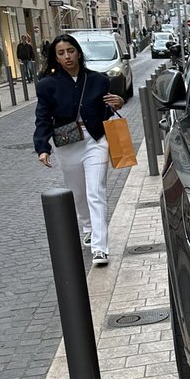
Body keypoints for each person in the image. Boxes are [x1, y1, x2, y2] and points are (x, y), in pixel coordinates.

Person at [34, 33, 124, 266]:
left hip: (96, 140)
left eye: (70, 51)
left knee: (96, 191)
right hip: (67, 144)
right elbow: (42, 118)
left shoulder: (99, 80)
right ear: (55, 57)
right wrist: (42, 147)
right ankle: (87, 226)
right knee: (78, 193)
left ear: (79, 52)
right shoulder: (47, 86)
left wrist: (118, 104)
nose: (67, 57)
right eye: (61, 53)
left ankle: (100, 247)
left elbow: (105, 112)